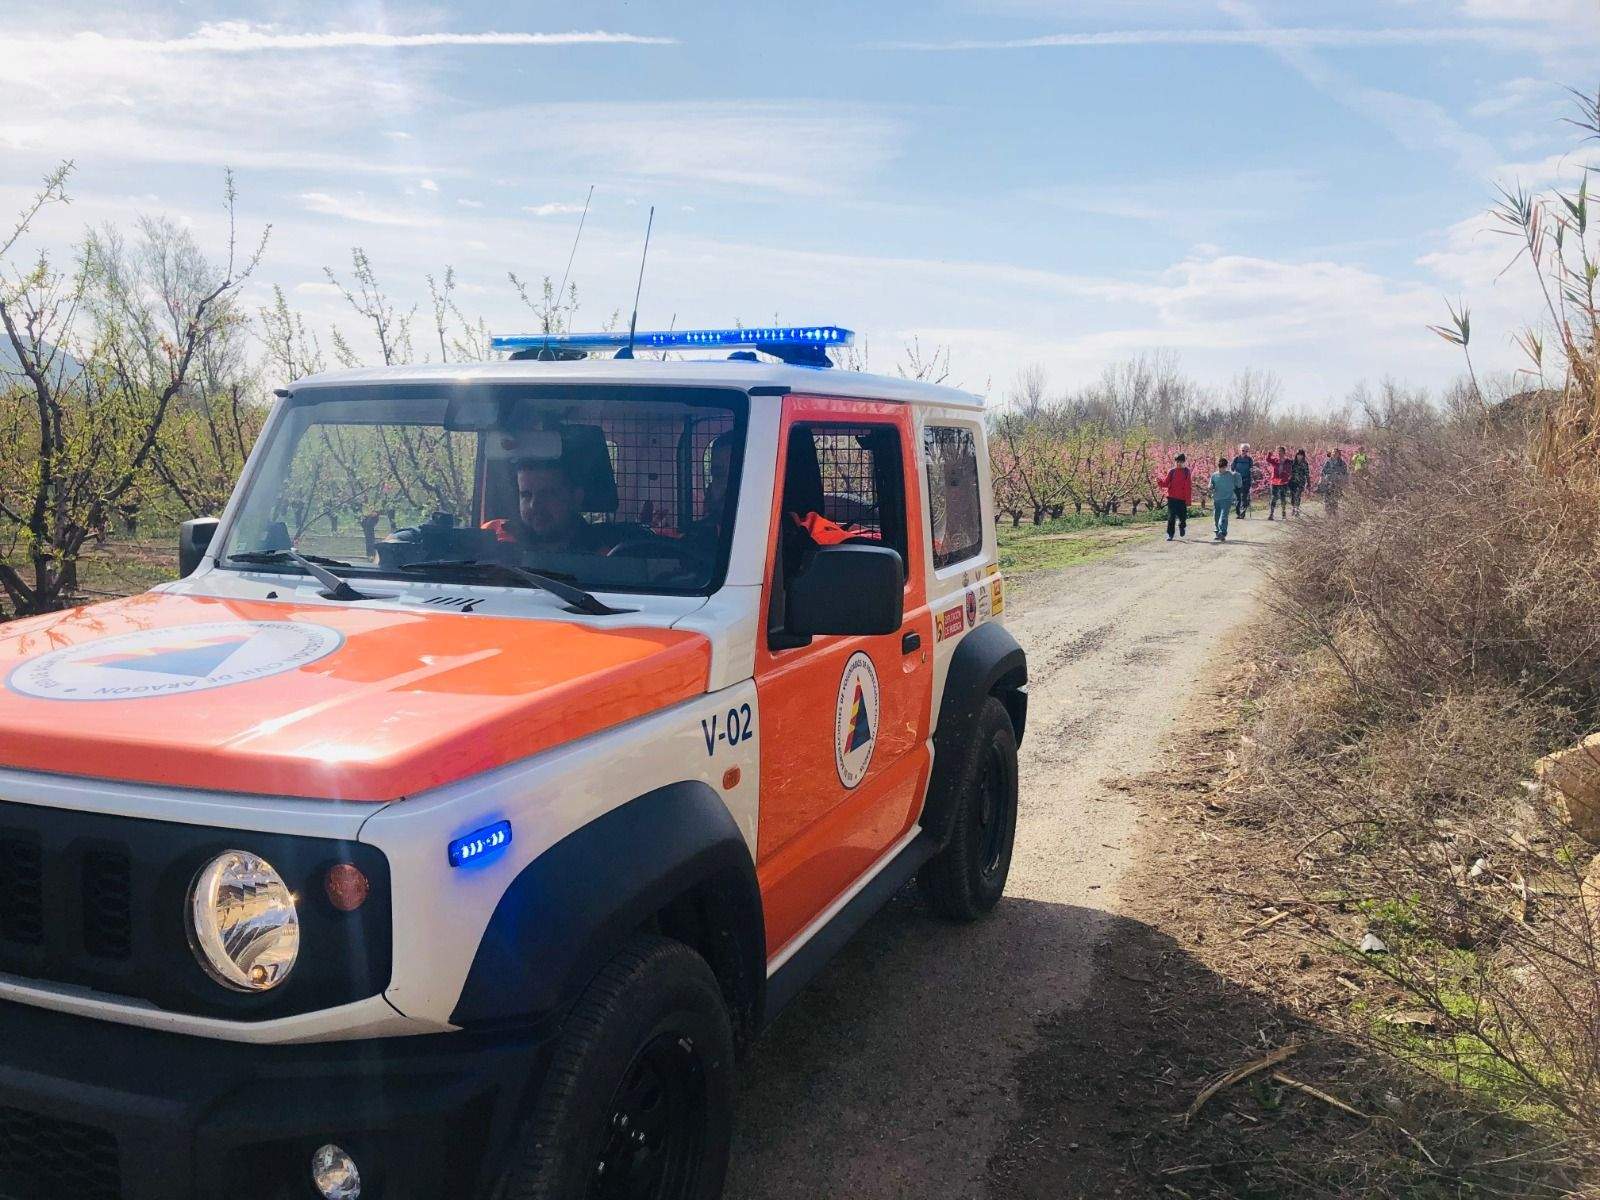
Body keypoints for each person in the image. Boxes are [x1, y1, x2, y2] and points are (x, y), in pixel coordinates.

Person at [511, 456, 613, 553]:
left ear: (576, 498)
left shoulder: (604, 559)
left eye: (546, 494)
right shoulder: (501, 544)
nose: (533, 505)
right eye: (526, 495)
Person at [1163, 452, 1192, 541]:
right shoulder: (1172, 472)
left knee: (1183, 517)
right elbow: (1166, 483)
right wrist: (1159, 481)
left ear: (1184, 462)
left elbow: (1188, 487)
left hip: (1182, 499)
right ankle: (1170, 534)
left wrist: (1188, 500)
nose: (1179, 464)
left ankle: (1182, 526)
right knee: (1171, 517)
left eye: (1181, 462)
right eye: (1177, 462)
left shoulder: (1187, 472)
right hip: (1172, 498)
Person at [1209, 456, 1238, 542]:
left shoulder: (1231, 475)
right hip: (1217, 499)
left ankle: (1223, 532)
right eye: (1220, 468)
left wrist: (1238, 475)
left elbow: (1238, 484)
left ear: (1226, 467)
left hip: (1227, 499)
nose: (1222, 469)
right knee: (1216, 516)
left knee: (1223, 517)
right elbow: (1211, 485)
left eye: (1224, 468)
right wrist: (1210, 487)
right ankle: (1218, 532)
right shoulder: (1214, 475)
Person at [1321, 447, 1350, 516]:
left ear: (1338, 454)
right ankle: (1328, 512)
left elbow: (1345, 473)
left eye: (1336, 453)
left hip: (1337, 483)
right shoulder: (1327, 462)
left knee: (1335, 498)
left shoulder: (1342, 463)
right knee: (1327, 498)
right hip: (1328, 482)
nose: (1334, 454)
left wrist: (1345, 482)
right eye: (1333, 452)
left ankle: (1334, 512)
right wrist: (1322, 480)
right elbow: (1323, 471)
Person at [1267, 445, 1292, 521]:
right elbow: (1268, 459)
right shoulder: (1275, 460)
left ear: (1284, 453)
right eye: (1278, 451)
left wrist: (1288, 476)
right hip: (1274, 481)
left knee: (1283, 498)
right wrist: (1269, 454)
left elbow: (1291, 470)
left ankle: (1283, 514)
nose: (1279, 453)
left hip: (1283, 482)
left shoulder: (1288, 461)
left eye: (1280, 451)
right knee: (1274, 498)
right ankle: (1271, 514)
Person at [1230, 444, 1255, 518]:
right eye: (1243, 450)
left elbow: (1251, 468)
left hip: (1246, 480)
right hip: (1237, 480)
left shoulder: (1249, 459)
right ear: (1240, 450)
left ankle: (1242, 513)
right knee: (1238, 497)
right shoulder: (1236, 459)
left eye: (1246, 451)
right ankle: (1238, 513)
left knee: (1244, 496)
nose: (1244, 452)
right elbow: (1232, 468)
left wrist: (1252, 470)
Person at [1289, 448, 1310, 516]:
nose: (1299, 456)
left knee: (1298, 495)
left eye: (1301, 455)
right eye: (1298, 455)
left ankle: (1297, 509)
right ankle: (1293, 508)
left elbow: (1307, 473)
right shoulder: (1293, 462)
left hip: (1301, 481)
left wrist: (1308, 482)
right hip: (1292, 481)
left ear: (1303, 456)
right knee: (1292, 496)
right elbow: (1289, 471)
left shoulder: (1305, 463)